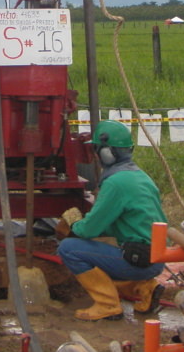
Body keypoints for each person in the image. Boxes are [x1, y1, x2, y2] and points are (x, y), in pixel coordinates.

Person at [56, 119, 167, 320]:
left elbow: (88, 230)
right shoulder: (139, 176)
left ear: (107, 153)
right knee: (96, 248)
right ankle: (146, 287)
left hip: (139, 260)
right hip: (155, 257)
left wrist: (73, 222)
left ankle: (108, 305)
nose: (96, 156)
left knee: (69, 248)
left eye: (97, 150)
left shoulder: (116, 183)